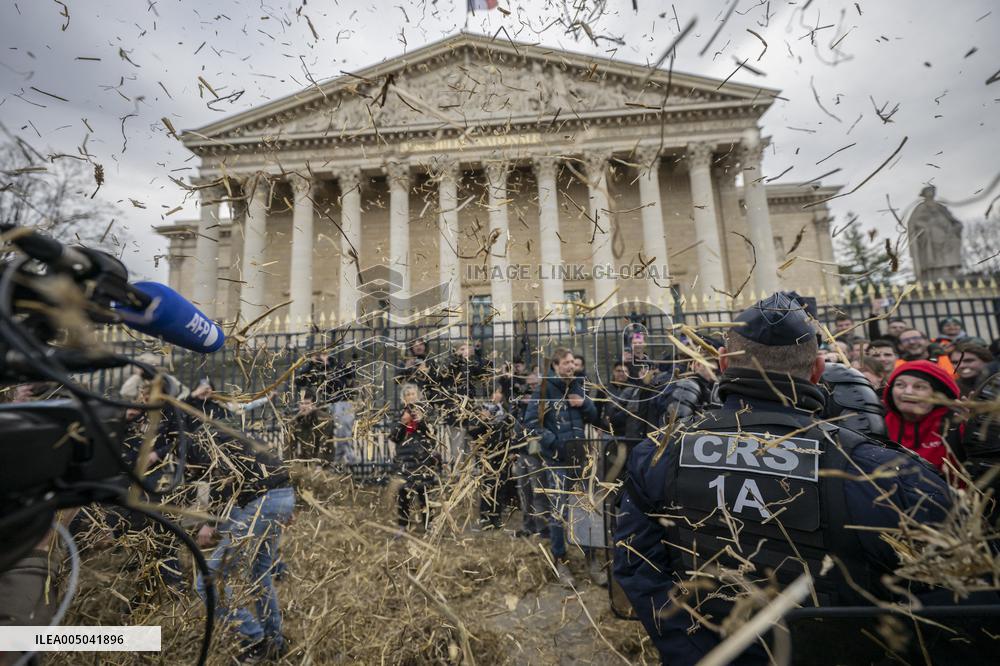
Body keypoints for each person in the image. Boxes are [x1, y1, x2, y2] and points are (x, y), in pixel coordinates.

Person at [614, 292, 953, 664]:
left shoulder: (660, 452)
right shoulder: (883, 473)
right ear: (818, 368)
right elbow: (954, 595)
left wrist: (692, 652)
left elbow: (637, 566)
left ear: (723, 362)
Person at [186, 396, 296, 662]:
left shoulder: (204, 438)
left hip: (264, 502)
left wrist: (210, 522)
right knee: (260, 573)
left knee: (208, 581)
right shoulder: (227, 430)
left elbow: (222, 478)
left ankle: (254, 636)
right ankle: (274, 642)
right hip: (281, 496)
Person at [524, 347, 600, 586]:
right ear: (556, 366)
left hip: (580, 461)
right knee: (559, 514)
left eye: (572, 363)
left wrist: (584, 404)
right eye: (566, 363)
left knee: (585, 511)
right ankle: (560, 562)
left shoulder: (578, 387)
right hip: (557, 462)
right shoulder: (544, 390)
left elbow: (595, 416)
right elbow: (530, 424)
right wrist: (554, 444)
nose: (571, 366)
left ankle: (592, 560)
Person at [883, 360, 965, 471]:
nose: (908, 392)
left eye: (919, 387)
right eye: (900, 385)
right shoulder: (878, 423)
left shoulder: (956, 424)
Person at [468, 385, 518, 529]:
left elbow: (510, 432)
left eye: (499, 392)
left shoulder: (506, 412)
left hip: (502, 455)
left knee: (500, 487)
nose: (497, 395)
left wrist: (511, 451)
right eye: (494, 392)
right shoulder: (481, 409)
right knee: (487, 486)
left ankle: (496, 517)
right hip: (487, 456)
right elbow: (472, 432)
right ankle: (484, 517)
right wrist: (483, 421)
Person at [389, 404, 440, 530]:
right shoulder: (402, 420)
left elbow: (432, 433)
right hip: (405, 467)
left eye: (412, 393)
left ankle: (429, 526)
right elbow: (394, 436)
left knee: (425, 499)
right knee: (403, 499)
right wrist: (403, 422)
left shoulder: (425, 417)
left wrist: (421, 420)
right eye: (408, 394)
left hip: (422, 468)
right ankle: (403, 526)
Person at [289, 387, 335, 462]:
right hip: (306, 460)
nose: (303, 406)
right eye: (301, 403)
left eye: (307, 403)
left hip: (325, 461)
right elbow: (291, 446)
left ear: (314, 405)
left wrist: (318, 466)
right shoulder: (296, 420)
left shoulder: (323, 419)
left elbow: (322, 445)